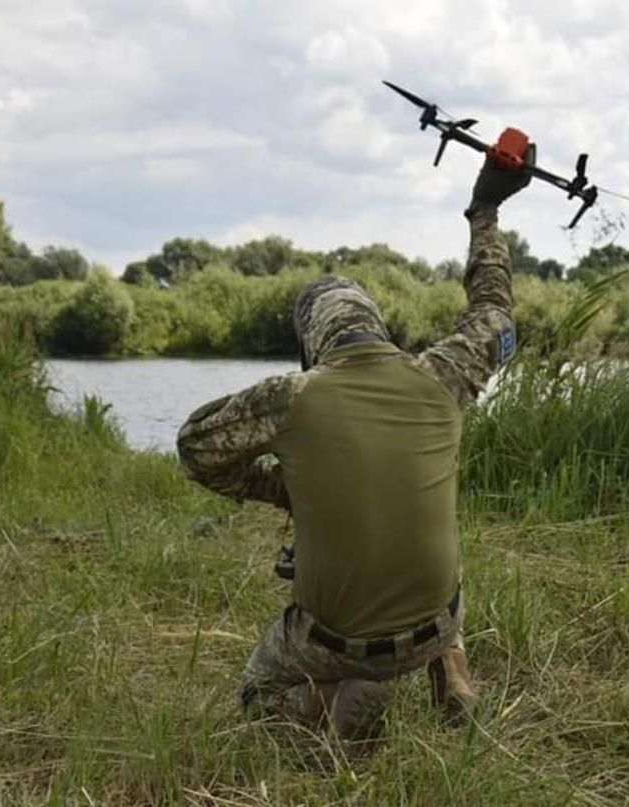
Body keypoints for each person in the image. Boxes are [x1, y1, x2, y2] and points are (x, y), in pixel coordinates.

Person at [176, 145, 534, 740]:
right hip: (438, 621)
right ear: (377, 326)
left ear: (313, 343)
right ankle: (454, 675)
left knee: (258, 697)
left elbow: (195, 447)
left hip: (337, 644)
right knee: (425, 531)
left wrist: (280, 489)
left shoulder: (291, 397)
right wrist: (484, 210)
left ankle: (329, 702)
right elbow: (496, 309)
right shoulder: (444, 374)